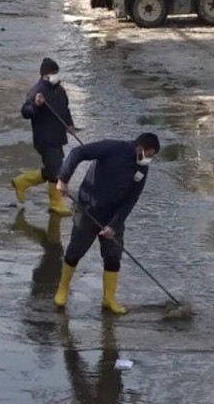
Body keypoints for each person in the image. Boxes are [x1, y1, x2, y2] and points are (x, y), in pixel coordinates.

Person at [52, 132, 161, 315]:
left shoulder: (142, 169)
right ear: (140, 148)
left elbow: (132, 198)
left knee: (113, 257)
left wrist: (114, 224)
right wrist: (63, 179)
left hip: (113, 217)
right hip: (88, 209)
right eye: (149, 155)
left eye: (152, 157)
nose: (149, 160)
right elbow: (77, 153)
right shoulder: (112, 148)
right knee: (74, 252)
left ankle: (109, 299)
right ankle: (62, 290)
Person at [13, 58, 78, 216]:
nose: (55, 75)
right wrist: (36, 104)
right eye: (52, 73)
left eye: (56, 72)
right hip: (45, 139)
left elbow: (65, 109)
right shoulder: (37, 91)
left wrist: (69, 124)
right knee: (57, 170)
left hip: (58, 137)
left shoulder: (60, 90)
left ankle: (22, 182)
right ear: (44, 75)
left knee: (52, 170)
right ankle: (56, 203)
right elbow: (25, 112)